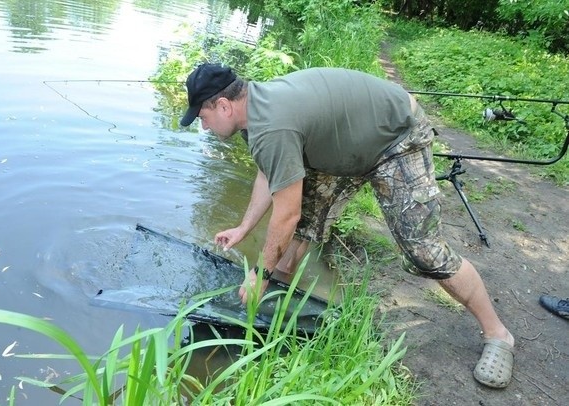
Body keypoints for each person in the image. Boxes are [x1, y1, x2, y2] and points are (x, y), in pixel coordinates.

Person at [180, 63, 515, 388]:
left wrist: (259, 274)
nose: (204, 126)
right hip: (348, 141)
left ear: (223, 105)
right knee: (301, 228)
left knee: (425, 251)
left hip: (395, 135)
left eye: (203, 117)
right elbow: (269, 173)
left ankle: (498, 335)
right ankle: (274, 305)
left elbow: (286, 214)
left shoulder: (272, 126)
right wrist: (244, 227)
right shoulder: (252, 114)